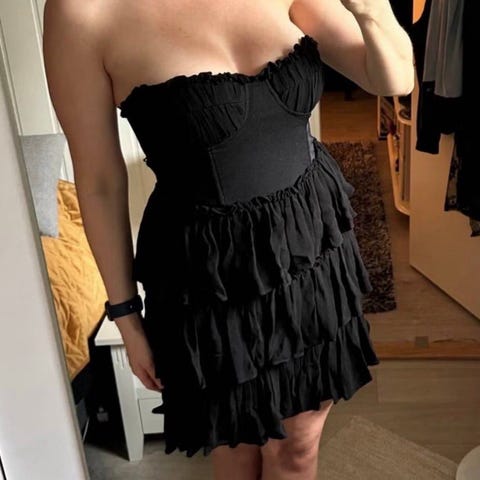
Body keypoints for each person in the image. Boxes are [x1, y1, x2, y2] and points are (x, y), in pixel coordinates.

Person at [42, 0, 413, 479]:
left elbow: (393, 80)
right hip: (209, 278)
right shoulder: (82, 12)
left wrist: (372, 11)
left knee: (298, 450)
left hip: (310, 249)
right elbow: (99, 181)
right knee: (236, 451)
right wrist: (126, 316)